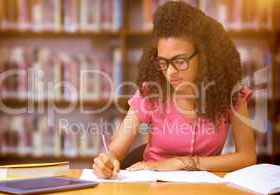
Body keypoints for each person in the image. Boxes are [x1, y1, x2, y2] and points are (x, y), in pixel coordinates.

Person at [92, 1, 256, 179]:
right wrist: (107, 160)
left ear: (204, 56)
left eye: (179, 61)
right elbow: (116, 149)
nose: (170, 72)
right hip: (154, 187)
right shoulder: (152, 92)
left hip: (205, 191)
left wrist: (181, 162)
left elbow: (247, 158)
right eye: (163, 62)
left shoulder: (230, 94)